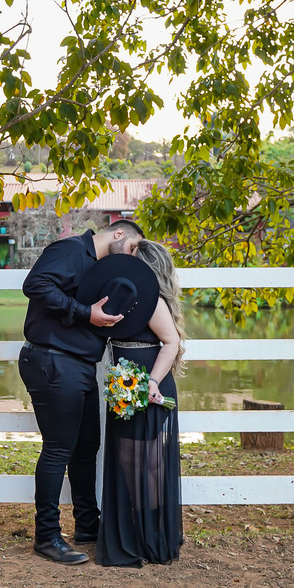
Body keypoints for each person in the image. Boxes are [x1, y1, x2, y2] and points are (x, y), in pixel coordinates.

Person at [18, 219, 144, 565]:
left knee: (87, 448)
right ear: (119, 234)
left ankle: (88, 525)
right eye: (133, 248)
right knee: (59, 449)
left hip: (79, 367)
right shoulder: (72, 250)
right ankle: (46, 536)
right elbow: (36, 284)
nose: (132, 256)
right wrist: (85, 313)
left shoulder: (101, 269)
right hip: (53, 361)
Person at [96, 239, 185, 567]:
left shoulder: (153, 301)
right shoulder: (128, 297)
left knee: (146, 462)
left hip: (149, 387)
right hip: (127, 386)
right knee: (130, 461)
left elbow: (171, 342)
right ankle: (137, 531)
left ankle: (151, 535)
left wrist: (152, 381)